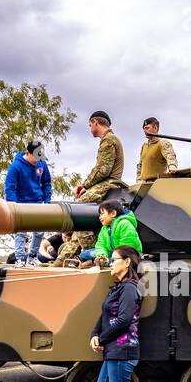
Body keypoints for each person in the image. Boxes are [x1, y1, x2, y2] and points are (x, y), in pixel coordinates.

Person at [90, 244, 144, 382]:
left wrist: (101, 339)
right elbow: (104, 315)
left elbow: (123, 321)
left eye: (114, 259)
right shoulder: (117, 288)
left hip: (123, 351)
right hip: (112, 351)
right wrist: (94, 334)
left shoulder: (131, 288)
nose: (110, 263)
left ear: (127, 262)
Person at [55, 112, 125, 266]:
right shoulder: (108, 140)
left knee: (80, 208)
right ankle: (65, 257)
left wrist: (85, 185)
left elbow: (103, 170)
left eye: (90, 125)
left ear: (95, 122)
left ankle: (91, 253)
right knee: (79, 211)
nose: (90, 128)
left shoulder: (109, 140)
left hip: (110, 183)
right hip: (107, 182)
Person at [5, 141, 53, 266]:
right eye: (35, 157)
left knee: (39, 232)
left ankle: (32, 257)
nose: (38, 161)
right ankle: (20, 258)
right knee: (21, 232)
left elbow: (47, 182)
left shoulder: (42, 164)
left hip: (38, 202)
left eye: (40, 157)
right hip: (21, 204)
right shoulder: (15, 167)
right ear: (27, 153)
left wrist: (47, 201)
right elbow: (10, 188)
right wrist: (13, 206)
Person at [83, 200, 143, 266]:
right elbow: (101, 245)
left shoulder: (124, 224)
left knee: (112, 260)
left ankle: (107, 262)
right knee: (88, 253)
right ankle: (80, 259)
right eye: (99, 214)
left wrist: (116, 258)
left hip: (129, 254)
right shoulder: (104, 229)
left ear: (113, 213)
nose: (100, 217)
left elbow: (128, 245)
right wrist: (102, 256)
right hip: (114, 252)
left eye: (102, 214)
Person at [138, 117, 178, 182]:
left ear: (155, 128)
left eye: (147, 128)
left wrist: (172, 165)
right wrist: (138, 179)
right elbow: (140, 164)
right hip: (143, 183)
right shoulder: (144, 145)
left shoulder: (162, 143)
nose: (145, 131)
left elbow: (170, 155)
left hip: (156, 183)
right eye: (144, 129)